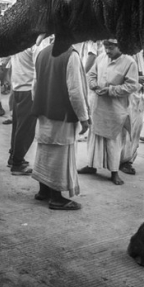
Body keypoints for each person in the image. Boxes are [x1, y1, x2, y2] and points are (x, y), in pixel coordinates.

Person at [31, 36, 90, 210]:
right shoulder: (70, 55)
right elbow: (75, 91)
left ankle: (43, 191)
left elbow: (35, 85)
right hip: (61, 115)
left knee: (44, 151)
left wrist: (40, 105)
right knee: (60, 156)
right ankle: (56, 198)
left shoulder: (42, 53)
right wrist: (84, 118)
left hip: (44, 112)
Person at [80, 39, 139, 186]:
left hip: (115, 108)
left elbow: (132, 86)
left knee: (114, 141)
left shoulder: (129, 62)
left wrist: (111, 90)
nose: (107, 51)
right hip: (98, 106)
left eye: (111, 48)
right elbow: (91, 74)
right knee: (94, 137)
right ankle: (91, 165)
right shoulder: (100, 58)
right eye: (106, 47)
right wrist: (93, 84)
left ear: (120, 47)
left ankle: (114, 172)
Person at [7, 43, 39, 176]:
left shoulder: (18, 43)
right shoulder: (35, 45)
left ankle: (13, 157)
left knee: (17, 126)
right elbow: (38, 72)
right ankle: (17, 164)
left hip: (17, 88)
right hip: (28, 90)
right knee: (25, 129)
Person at [118, 53, 144, 175]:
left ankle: (128, 159)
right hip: (126, 96)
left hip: (138, 95)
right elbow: (114, 74)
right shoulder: (119, 53)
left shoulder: (139, 53)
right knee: (126, 130)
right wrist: (136, 78)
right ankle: (123, 161)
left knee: (136, 128)